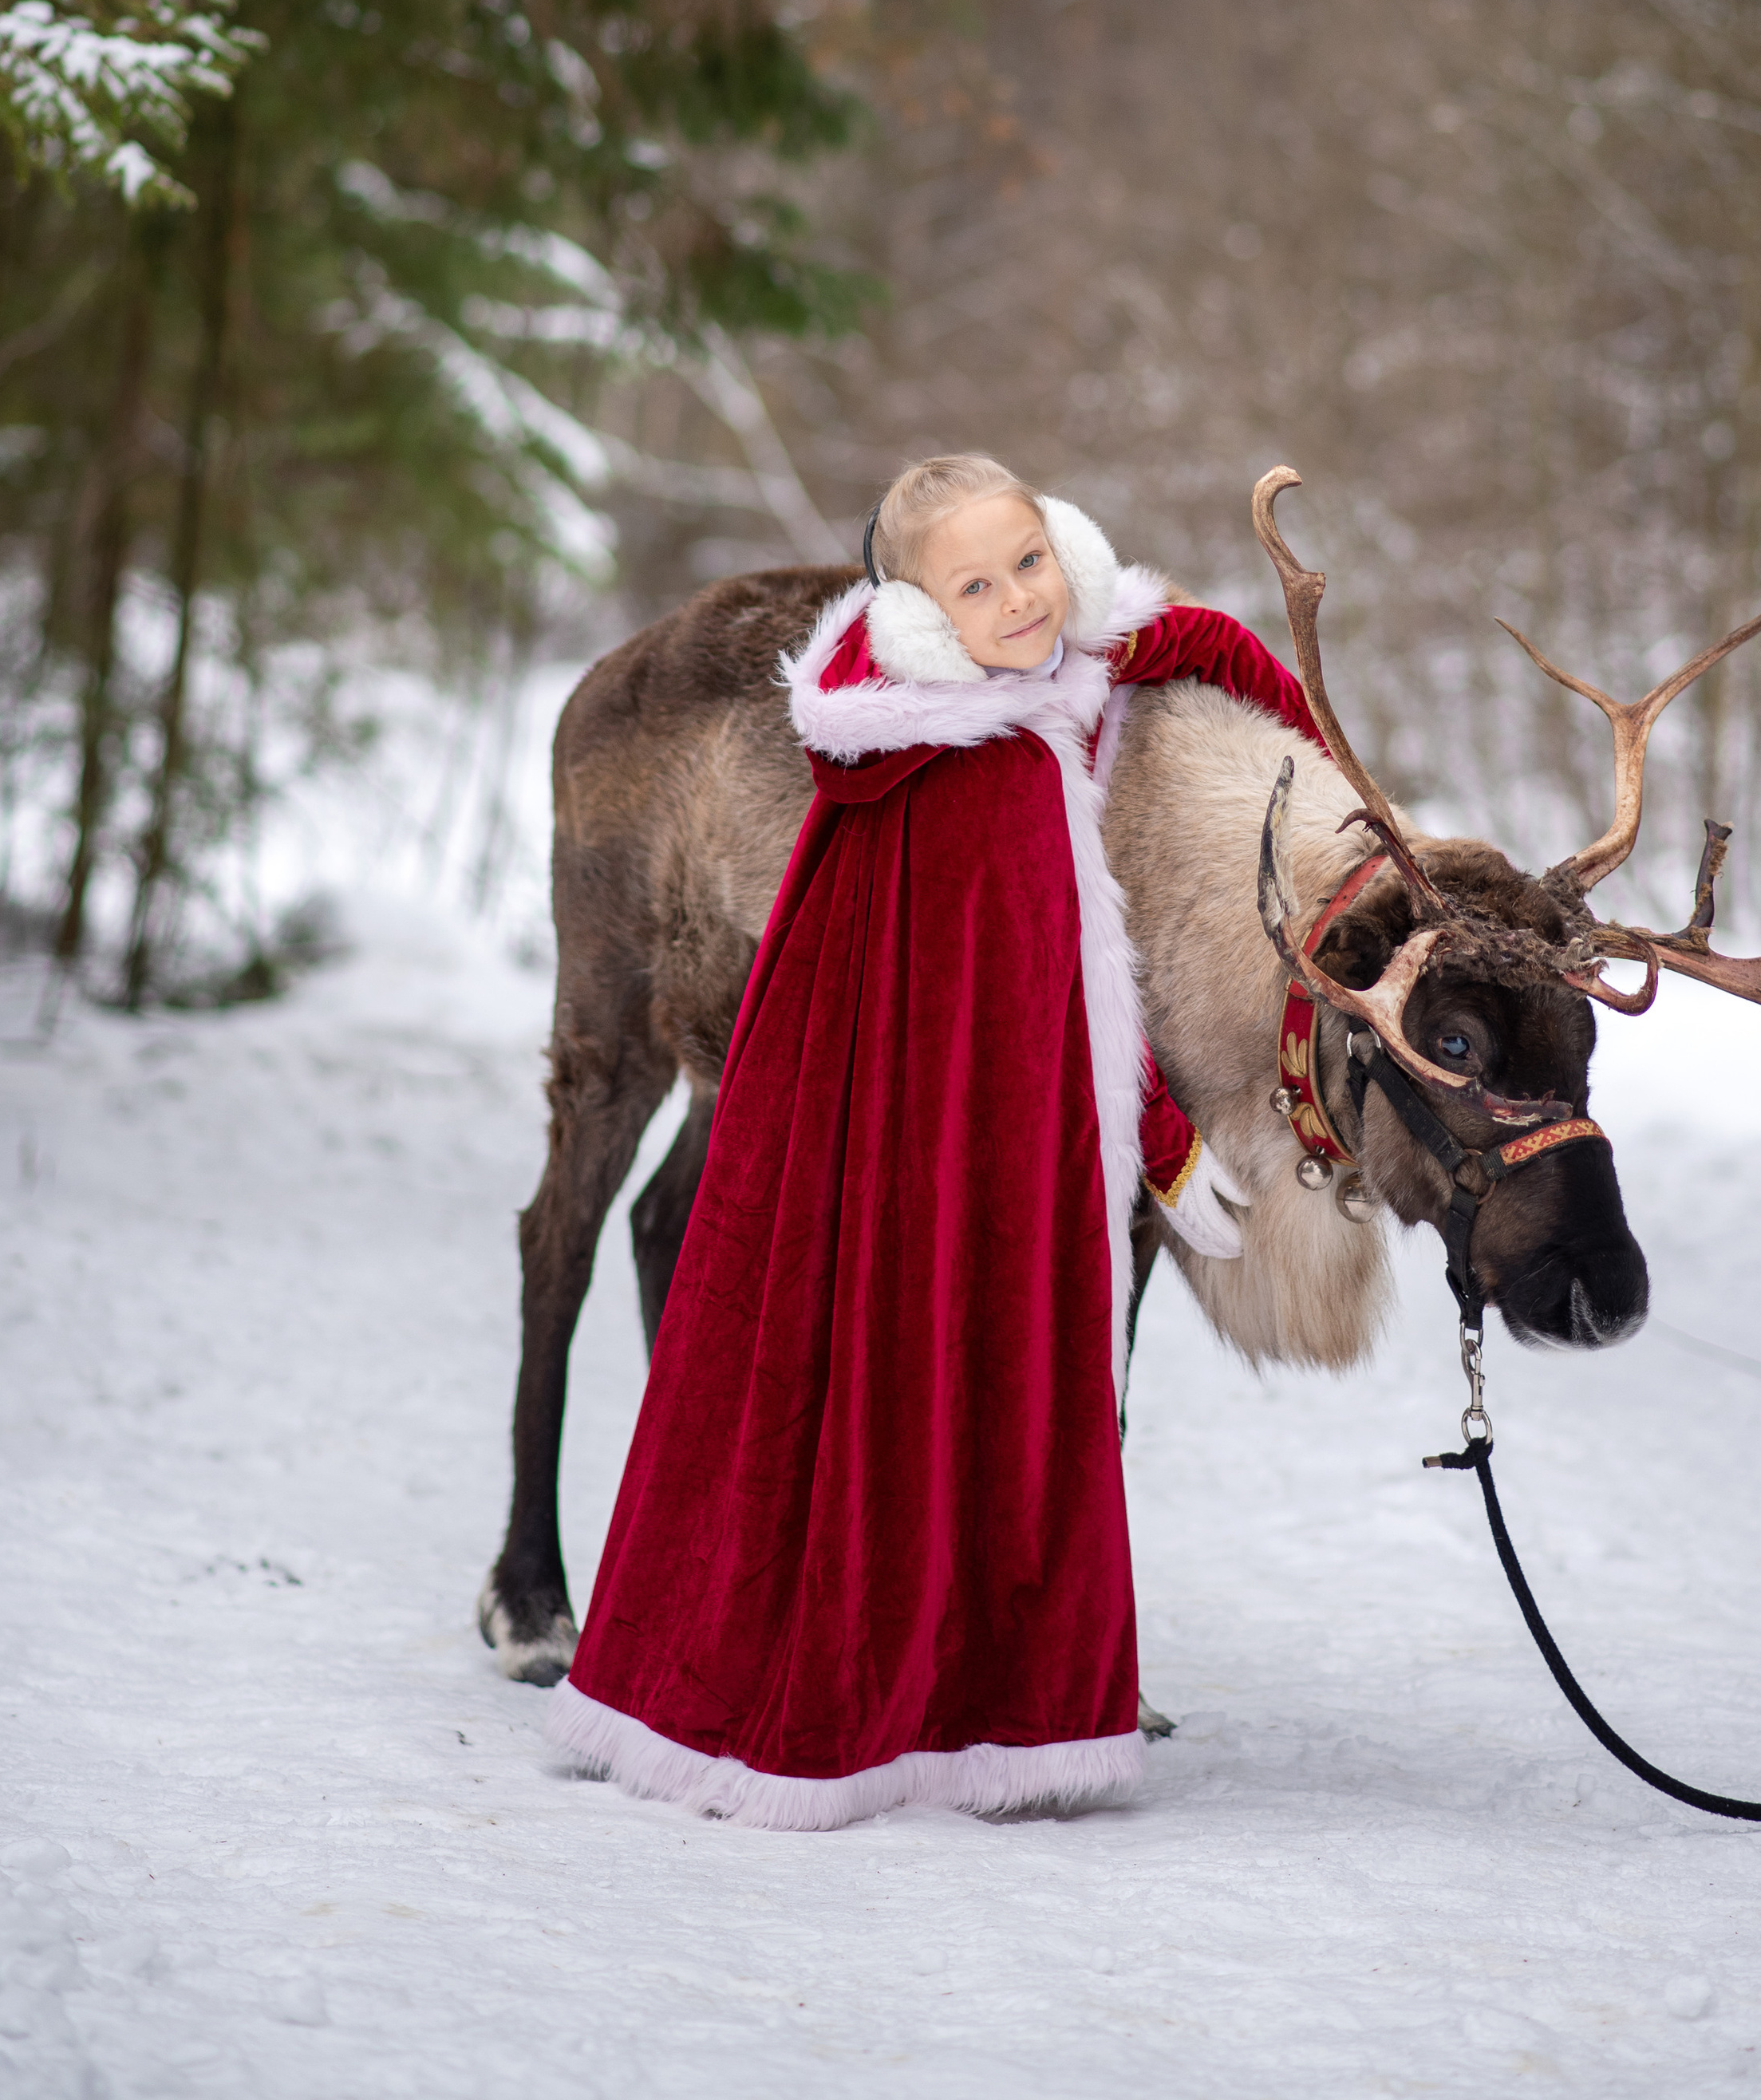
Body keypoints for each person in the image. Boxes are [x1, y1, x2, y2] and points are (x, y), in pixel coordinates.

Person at [547, 456, 1322, 1827]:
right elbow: (1070, 985)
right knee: (896, 1392)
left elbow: (1188, 657)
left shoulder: (1051, 682)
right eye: (979, 583)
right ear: (916, 608)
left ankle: (996, 1683)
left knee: (1005, 1390)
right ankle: (893, 1695)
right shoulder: (954, 767)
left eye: (1033, 559)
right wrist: (1161, 1142)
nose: (1023, 598)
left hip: (1018, 1141)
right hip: (906, 1152)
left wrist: (1289, 733)